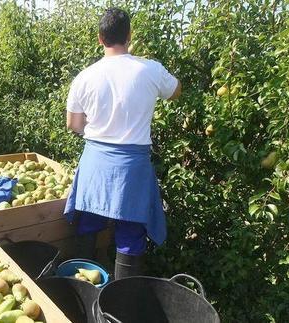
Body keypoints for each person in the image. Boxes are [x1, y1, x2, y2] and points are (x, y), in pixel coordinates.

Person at [64, 7, 181, 280]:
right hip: (132, 166)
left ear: (99, 38)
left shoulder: (84, 76)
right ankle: (120, 302)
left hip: (96, 161)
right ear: (130, 36)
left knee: (88, 225)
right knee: (130, 233)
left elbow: (74, 125)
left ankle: (80, 291)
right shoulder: (150, 69)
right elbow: (176, 91)